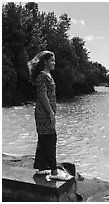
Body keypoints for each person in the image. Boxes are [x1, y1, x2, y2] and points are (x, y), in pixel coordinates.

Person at [28, 50, 59, 178]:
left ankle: (41, 167)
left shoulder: (48, 75)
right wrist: (51, 113)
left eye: (54, 60)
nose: (54, 63)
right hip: (44, 113)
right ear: (45, 61)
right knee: (51, 138)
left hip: (47, 112)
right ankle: (54, 171)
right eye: (51, 60)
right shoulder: (42, 76)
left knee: (44, 139)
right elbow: (43, 96)